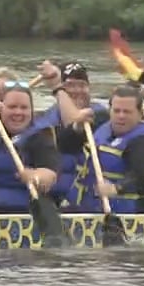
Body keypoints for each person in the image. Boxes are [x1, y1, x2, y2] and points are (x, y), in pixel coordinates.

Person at [36, 60, 112, 211]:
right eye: (70, 85)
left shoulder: (100, 115)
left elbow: (74, 121)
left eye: (82, 85)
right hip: (51, 198)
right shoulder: (45, 118)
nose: (78, 90)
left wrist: (57, 87)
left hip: (88, 201)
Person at [0, 82, 60, 212]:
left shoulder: (40, 136)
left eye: (24, 107)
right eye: (12, 107)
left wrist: (35, 176)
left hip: (24, 212)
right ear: (1, 109)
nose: (18, 112)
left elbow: (49, 175)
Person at [86, 85, 144, 213]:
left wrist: (116, 188)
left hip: (130, 212)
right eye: (116, 111)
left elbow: (140, 175)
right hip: (93, 205)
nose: (121, 116)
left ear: (140, 114)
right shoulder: (103, 128)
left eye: (127, 112)